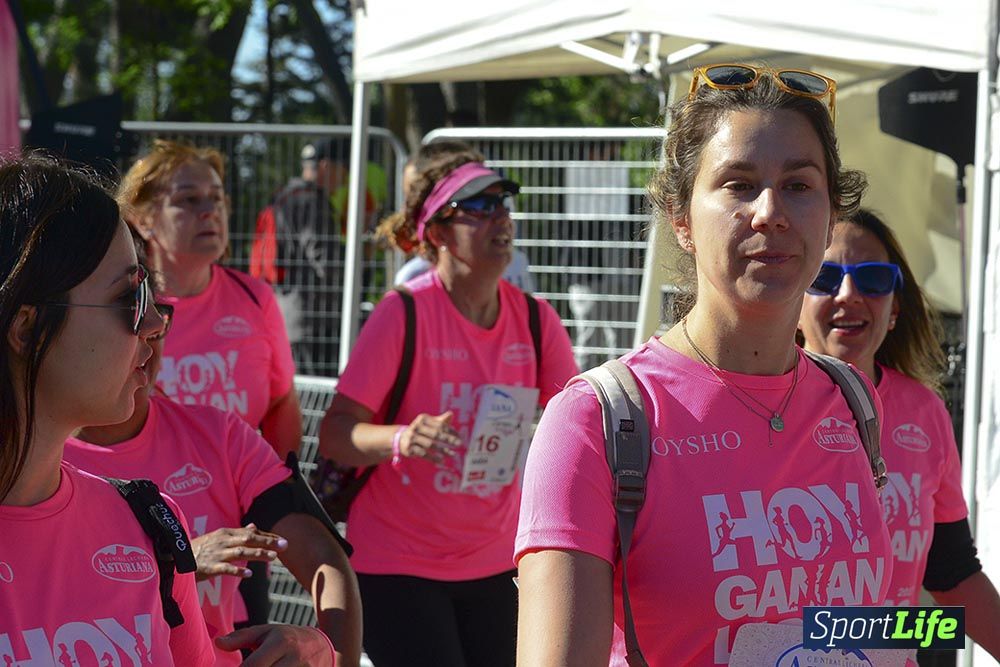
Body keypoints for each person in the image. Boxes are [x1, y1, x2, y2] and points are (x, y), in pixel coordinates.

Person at [515, 63, 893, 666]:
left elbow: (858, 629)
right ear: (682, 220)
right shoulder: (595, 422)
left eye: (799, 185)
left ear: (828, 218)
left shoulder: (853, 400)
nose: (771, 211)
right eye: (739, 184)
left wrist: (939, 636)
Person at [321, 154, 579, 666]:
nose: (499, 218)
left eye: (502, 204)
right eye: (478, 208)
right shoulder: (404, 312)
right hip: (398, 566)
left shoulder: (535, 319)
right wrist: (401, 438)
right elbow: (334, 434)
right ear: (437, 233)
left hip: (497, 560)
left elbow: (574, 428)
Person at [65, 286, 364, 666]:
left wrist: (330, 652)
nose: (149, 334)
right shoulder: (30, 461)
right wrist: (181, 561)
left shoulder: (219, 435)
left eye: (156, 319)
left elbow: (324, 557)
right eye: (129, 315)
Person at [0, 154, 213, 665]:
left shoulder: (150, 526)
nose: (155, 323)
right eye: (129, 297)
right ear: (27, 329)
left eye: (150, 292)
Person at [798, 208, 1000, 660]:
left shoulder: (925, 412)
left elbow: (950, 573)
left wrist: (905, 635)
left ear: (895, 309)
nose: (848, 294)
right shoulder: (760, 409)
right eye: (824, 277)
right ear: (794, 301)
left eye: (872, 278)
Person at [118, 139, 302, 627]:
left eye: (217, 197)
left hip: (237, 536)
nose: (210, 211)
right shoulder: (126, 308)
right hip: (138, 540)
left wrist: (275, 497)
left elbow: (282, 403)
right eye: (189, 199)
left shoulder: (253, 297)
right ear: (144, 216)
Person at [251, 138, 388, 376]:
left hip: (288, 314)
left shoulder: (285, 196)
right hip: (313, 321)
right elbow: (327, 260)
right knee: (316, 399)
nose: (344, 181)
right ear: (326, 166)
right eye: (343, 171)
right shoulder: (312, 202)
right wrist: (361, 256)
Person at [389, 141, 535, 292]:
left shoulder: (532, 305)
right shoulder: (409, 293)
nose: (503, 216)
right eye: (481, 204)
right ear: (437, 231)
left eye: (502, 201)